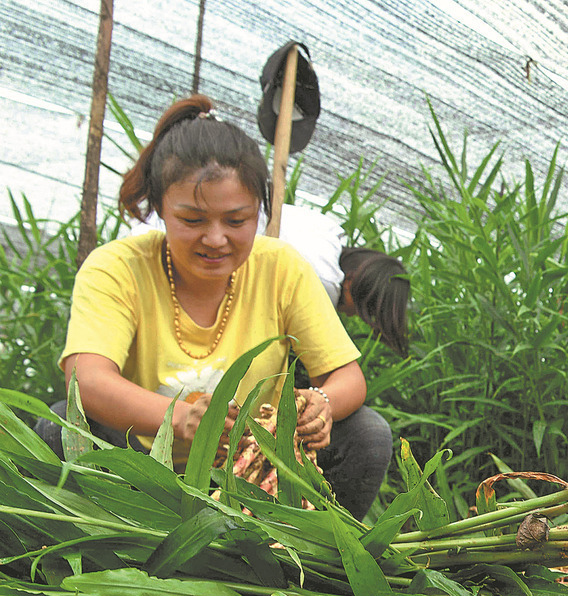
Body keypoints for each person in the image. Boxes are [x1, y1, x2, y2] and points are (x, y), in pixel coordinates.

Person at [34, 95, 392, 520]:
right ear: (160, 210)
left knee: (367, 432)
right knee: (62, 424)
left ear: (259, 212)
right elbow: (87, 379)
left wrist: (320, 403)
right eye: (192, 220)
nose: (216, 239)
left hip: (257, 476)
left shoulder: (282, 267)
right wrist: (184, 419)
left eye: (236, 221)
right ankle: (107, 548)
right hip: (142, 472)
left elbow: (346, 377)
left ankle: (309, 560)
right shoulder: (117, 268)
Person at [133, 203, 411, 355]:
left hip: (159, 232)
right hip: (166, 262)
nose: (351, 314)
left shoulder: (326, 230)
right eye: (359, 309)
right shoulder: (323, 282)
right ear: (352, 283)